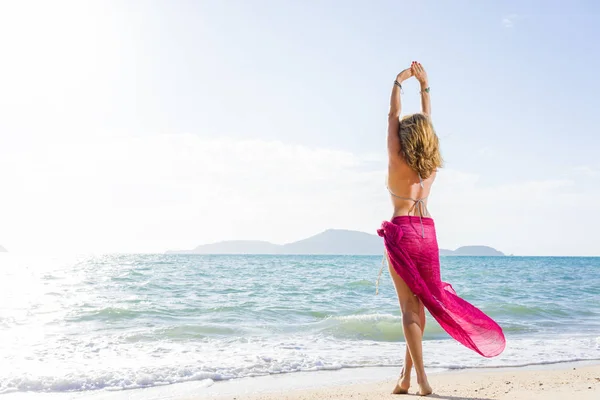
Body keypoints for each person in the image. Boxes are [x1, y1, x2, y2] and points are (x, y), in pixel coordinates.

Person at [377, 62, 506, 396]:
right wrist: (425, 87)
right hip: (428, 232)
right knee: (420, 306)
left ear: (405, 136)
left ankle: (421, 379)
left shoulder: (396, 159)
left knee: (408, 308)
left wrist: (398, 80)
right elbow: (427, 124)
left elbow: (392, 117)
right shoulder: (430, 165)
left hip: (403, 231)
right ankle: (405, 378)